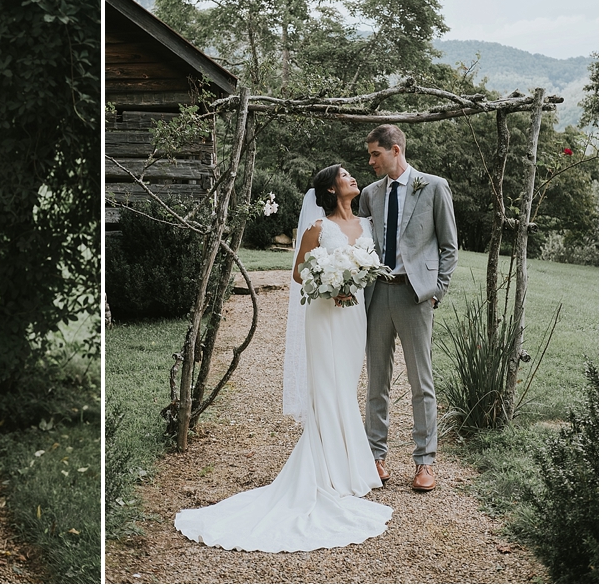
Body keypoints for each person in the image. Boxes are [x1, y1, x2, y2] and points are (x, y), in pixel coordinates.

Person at [175, 165, 392, 552]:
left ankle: (350, 463)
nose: (353, 177)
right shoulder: (317, 228)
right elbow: (298, 274)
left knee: (346, 385)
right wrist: (332, 285)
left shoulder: (368, 224)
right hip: (325, 315)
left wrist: (353, 282)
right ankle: (329, 470)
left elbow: (370, 268)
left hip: (354, 314)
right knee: (326, 386)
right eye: (345, 175)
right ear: (330, 187)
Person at [359, 124, 458, 491]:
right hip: (378, 294)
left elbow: (449, 246)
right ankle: (375, 456)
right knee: (376, 382)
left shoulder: (433, 187)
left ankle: (424, 462)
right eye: (370, 154)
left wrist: (438, 289)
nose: (370, 161)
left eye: (375, 154)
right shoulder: (370, 194)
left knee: (421, 381)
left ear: (395, 150)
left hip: (416, 295)